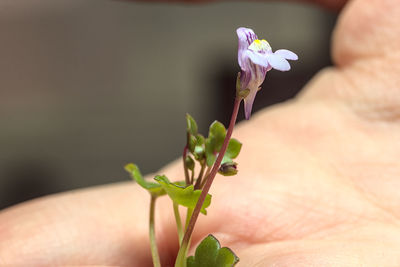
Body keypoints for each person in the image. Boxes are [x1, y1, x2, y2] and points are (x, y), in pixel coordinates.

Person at [1, 0, 399, 265]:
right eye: (252, 48)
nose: (257, 49)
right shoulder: (249, 58)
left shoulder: (260, 62)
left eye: (257, 50)